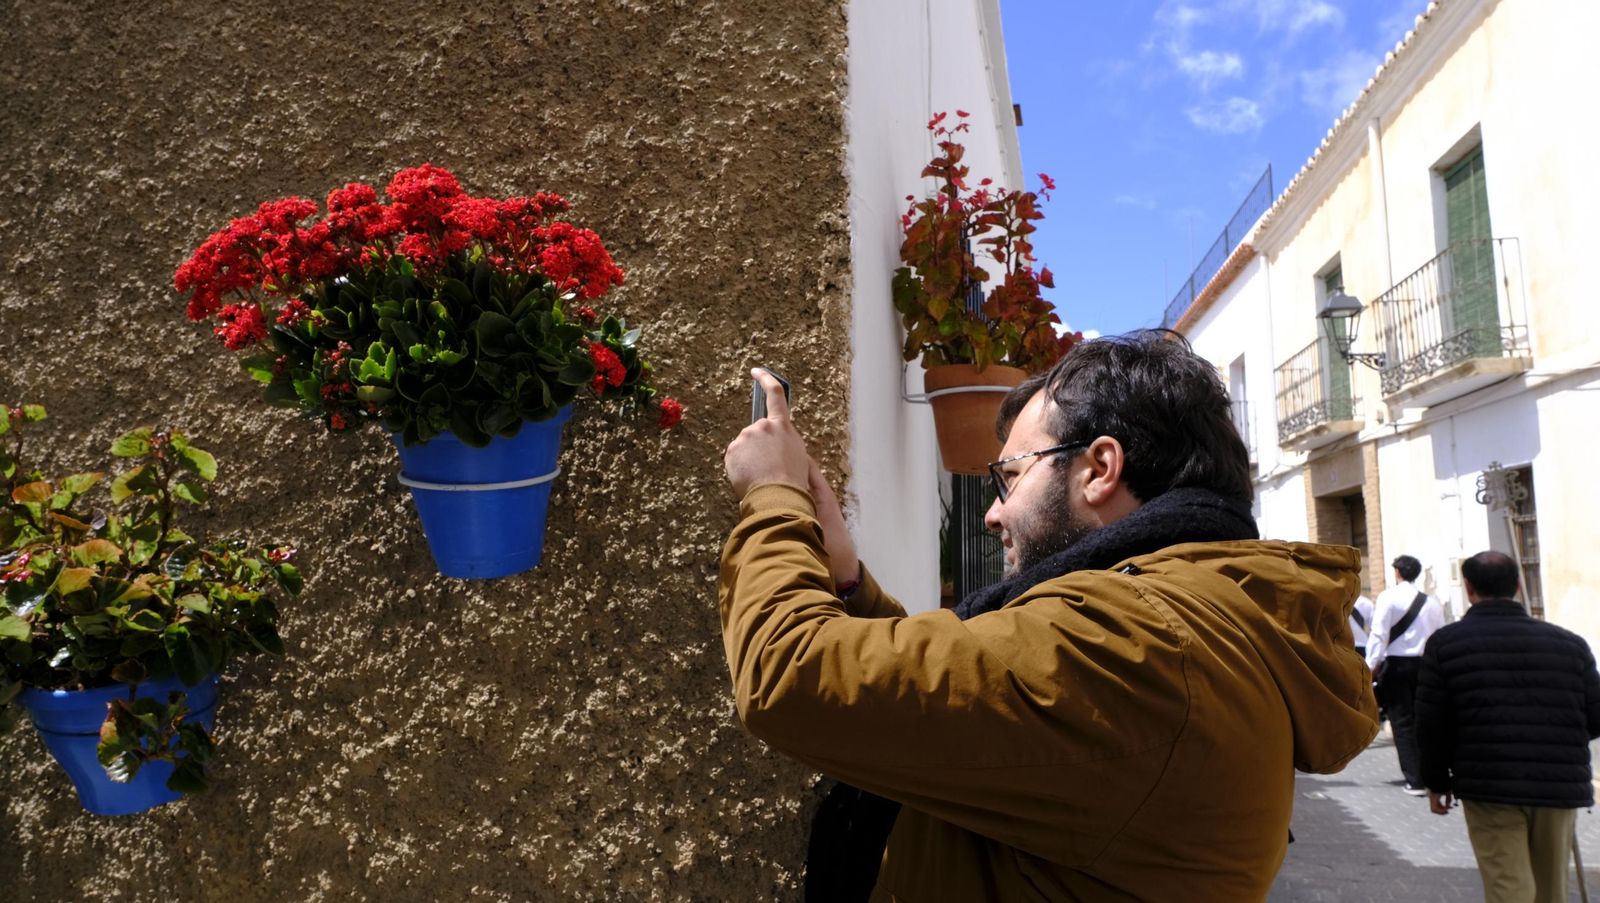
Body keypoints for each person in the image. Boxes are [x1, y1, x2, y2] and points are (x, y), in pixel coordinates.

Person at [719, 330, 1379, 900]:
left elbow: (792, 673)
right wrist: (849, 584)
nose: (993, 511)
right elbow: (963, 689)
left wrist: (773, 494)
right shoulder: (1186, 621)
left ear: (1099, 468)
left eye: (1009, 476)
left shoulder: (1140, 643)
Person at [1415, 550, 1600, 903]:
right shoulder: (1570, 645)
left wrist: (1436, 781)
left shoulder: (1446, 644)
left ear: (1468, 587)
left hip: (1489, 783)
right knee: (1551, 890)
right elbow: (1595, 718)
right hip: (1557, 784)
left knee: (1508, 887)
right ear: (1517, 586)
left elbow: (1431, 724)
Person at [1366, 554, 1446, 795]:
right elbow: (1440, 636)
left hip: (1397, 665)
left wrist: (1370, 665)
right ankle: (1431, 775)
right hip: (1426, 665)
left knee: (1402, 722)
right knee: (1426, 721)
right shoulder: (1432, 602)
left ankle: (1414, 779)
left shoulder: (1388, 598)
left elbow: (1379, 634)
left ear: (1397, 572)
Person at [1350, 593, 1375, 659]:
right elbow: (1374, 628)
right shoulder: (1367, 603)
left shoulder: (1336, 601)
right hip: (1362, 645)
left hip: (1342, 647)